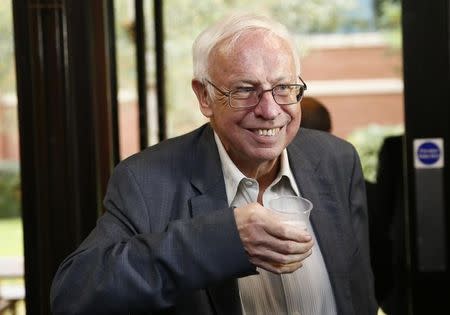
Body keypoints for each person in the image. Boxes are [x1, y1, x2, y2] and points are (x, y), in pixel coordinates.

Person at [50, 13, 377, 315]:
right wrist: (224, 239)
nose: (269, 109)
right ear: (204, 96)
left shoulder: (337, 160)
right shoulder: (146, 180)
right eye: (245, 90)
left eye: (283, 88)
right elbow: (74, 295)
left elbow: (357, 291)